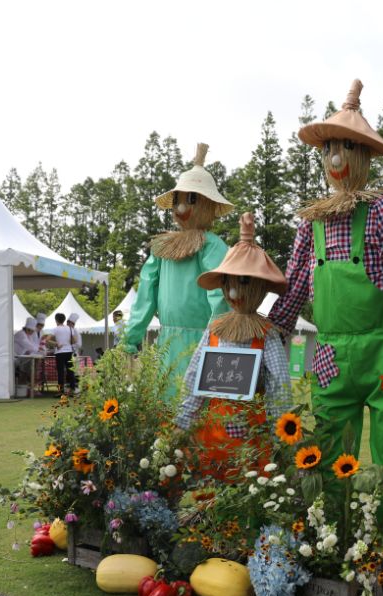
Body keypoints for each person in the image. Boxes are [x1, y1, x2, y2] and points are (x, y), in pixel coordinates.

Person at [269, 79, 383, 583]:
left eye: (345, 147)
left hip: (381, 353)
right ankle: (334, 537)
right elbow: (293, 289)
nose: (335, 158)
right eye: (329, 147)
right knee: (329, 449)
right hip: (329, 353)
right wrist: (266, 332)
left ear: (365, 156)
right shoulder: (310, 224)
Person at [177, 213, 291, 481]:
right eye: (229, 282)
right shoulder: (215, 329)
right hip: (212, 433)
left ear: (261, 286)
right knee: (213, 493)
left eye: (245, 282)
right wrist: (183, 422)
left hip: (252, 435)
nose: (234, 292)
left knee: (249, 493)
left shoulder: (266, 335)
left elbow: (279, 388)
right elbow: (194, 378)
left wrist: (281, 433)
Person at [123, 143, 231, 389]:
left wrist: (218, 337)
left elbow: (219, 292)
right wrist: (131, 338)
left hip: (203, 342)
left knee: (197, 410)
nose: (182, 207)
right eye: (179, 199)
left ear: (206, 204)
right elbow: (146, 294)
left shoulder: (211, 246)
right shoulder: (163, 247)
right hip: (167, 343)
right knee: (165, 405)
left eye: (191, 199)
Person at [53, 312, 80, 394]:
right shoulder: (70, 329)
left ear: (56, 320)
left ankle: (60, 391)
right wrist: (67, 343)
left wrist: (56, 343)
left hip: (59, 352)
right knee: (70, 372)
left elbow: (47, 339)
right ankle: (73, 389)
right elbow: (74, 341)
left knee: (60, 372)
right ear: (65, 320)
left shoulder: (55, 329)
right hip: (69, 351)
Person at [14, 317, 39, 384]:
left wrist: (37, 349)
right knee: (30, 365)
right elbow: (29, 346)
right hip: (15, 358)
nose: (33, 333)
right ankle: (26, 382)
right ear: (28, 329)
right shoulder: (21, 334)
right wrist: (38, 349)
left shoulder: (28, 335)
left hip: (20, 357)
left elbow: (33, 345)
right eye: (32, 331)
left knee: (33, 363)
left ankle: (27, 382)